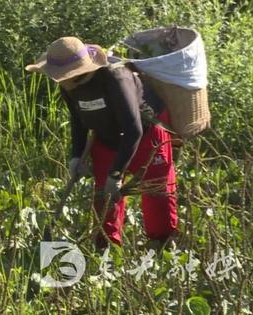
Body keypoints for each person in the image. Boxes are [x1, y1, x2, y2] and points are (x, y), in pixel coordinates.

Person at [25, 36, 178, 249]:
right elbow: (78, 120)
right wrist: (76, 156)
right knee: (104, 198)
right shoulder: (67, 86)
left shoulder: (116, 79)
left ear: (78, 72)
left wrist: (116, 175)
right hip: (106, 139)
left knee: (156, 192)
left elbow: (133, 130)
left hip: (145, 136)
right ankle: (106, 247)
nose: (55, 80)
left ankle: (161, 244)